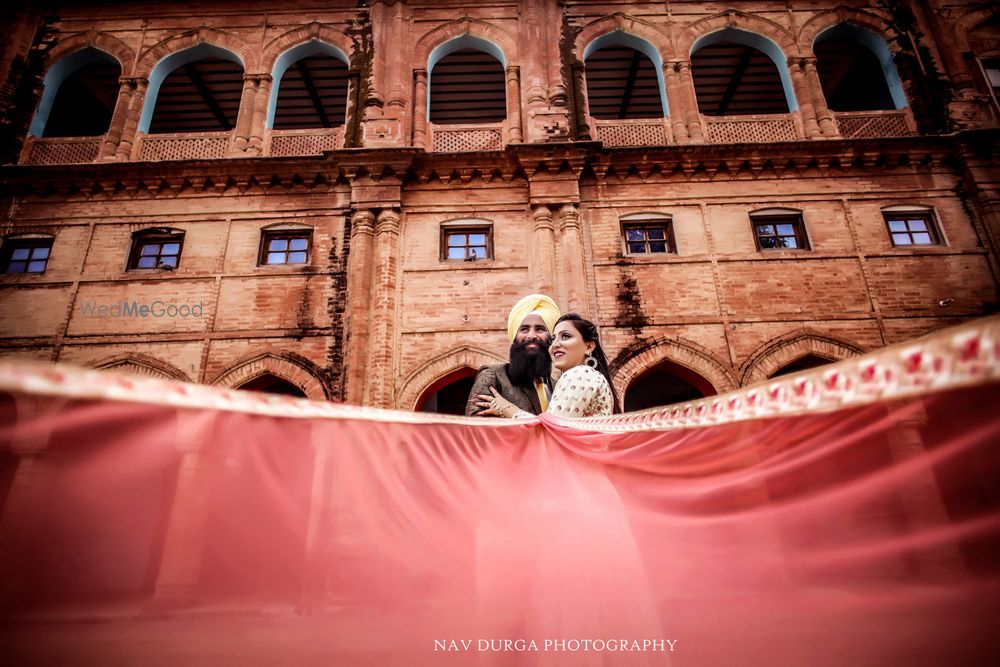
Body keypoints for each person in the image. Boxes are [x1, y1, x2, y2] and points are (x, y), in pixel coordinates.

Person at [477, 313, 621, 418]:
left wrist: (507, 409)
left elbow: (549, 430)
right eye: (553, 338)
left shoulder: (580, 375)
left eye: (566, 336)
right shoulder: (493, 374)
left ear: (589, 347)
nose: (555, 344)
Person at [464, 294, 561, 417]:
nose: (531, 335)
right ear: (514, 336)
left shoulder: (557, 386)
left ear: (551, 337)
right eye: (524, 329)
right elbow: (476, 427)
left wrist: (510, 412)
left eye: (540, 329)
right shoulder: (494, 375)